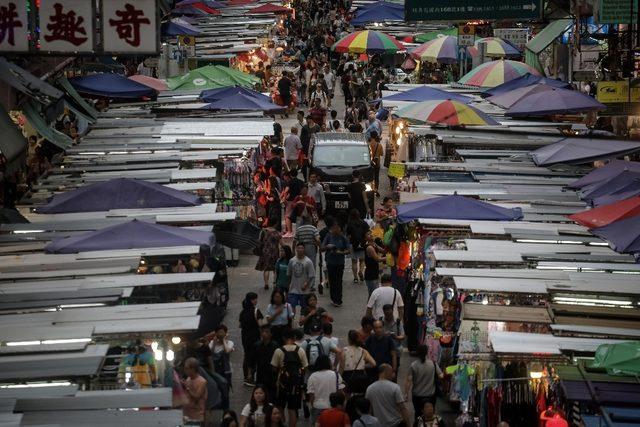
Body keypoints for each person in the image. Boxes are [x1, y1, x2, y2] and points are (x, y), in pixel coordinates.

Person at [271, 328, 309, 427]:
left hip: (281, 385)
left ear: (283, 338)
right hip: (295, 385)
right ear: (295, 338)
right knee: (292, 409)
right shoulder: (300, 350)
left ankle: (281, 424)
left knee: (280, 407)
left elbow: (274, 368)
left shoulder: (279, 351)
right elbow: (305, 367)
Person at [404, 345, 443, 422]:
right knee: (430, 415)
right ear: (426, 352)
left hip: (417, 395)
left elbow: (409, 380)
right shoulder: (433, 364)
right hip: (430, 395)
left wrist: (406, 393)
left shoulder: (413, 365)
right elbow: (441, 375)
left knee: (418, 415)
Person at [321, 222, 351, 307]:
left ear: (340, 229)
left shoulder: (343, 238)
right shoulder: (328, 236)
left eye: (337, 228)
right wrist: (328, 247)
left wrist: (341, 252)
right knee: (332, 280)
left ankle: (338, 299)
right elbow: (322, 248)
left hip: (339, 262)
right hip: (330, 262)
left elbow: (348, 250)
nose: (335, 230)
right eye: (333, 228)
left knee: (338, 281)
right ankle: (333, 298)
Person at [307, 356, 346, 421]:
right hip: (333, 407)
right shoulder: (336, 375)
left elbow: (311, 395)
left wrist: (313, 405)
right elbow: (340, 392)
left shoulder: (312, 376)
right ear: (329, 363)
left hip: (318, 407)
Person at [340, 330, 377, 395]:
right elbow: (373, 363)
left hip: (347, 376)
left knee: (347, 396)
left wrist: (339, 377)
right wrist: (363, 366)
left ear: (349, 340)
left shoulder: (344, 350)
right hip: (360, 376)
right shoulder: (363, 351)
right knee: (360, 395)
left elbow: (342, 366)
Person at [240, 292, 264, 387]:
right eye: (254, 299)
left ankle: (246, 377)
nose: (256, 301)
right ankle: (250, 378)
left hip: (245, 337)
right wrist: (270, 319)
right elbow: (262, 323)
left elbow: (240, 324)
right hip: (254, 337)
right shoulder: (256, 311)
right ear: (251, 300)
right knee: (253, 357)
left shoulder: (243, 312)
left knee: (247, 356)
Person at [287, 242, 316, 313]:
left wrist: (306, 284)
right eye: (298, 248)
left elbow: (312, 275)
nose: (300, 250)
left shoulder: (308, 261)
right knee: (291, 307)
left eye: (302, 248)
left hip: (304, 291)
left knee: (305, 308)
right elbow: (289, 274)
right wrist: (288, 286)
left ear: (304, 249)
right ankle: (292, 321)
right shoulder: (292, 261)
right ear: (296, 249)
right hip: (293, 289)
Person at [253, 325, 279, 399]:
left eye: (266, 332)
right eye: (262, 332)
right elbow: (253, 360)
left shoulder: (275, 346)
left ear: (271, 334)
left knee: (271, 396)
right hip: (260, 374)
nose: (264, 334)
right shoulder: (257, 345)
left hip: (272, 375)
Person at [345, 208, 369, 284]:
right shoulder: (363, 223)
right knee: (362, 260)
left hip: (353, 244)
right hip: (362, 243)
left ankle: (355, 278)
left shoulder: (349, 223)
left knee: (354, 261)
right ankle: (361, 271)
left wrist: (347, 245)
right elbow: (367, 234)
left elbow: (348, 236)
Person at [256, 221, 282, 290]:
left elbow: (259, 241)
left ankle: (266, 284)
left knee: (266, 269)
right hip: (275, 252)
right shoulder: (277, 233)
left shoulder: (264, 231)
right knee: (275, 269)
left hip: (265, 252)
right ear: (275, 224)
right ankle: (275, 282)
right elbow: (282, 243)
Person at [294, 215, 321, 283]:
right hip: (311, 247)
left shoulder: (299, 229)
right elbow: (317, 239)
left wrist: (293, 250)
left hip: (301, 248)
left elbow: (295, 241)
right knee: (311, 265)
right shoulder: (313, 228)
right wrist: (319, 246)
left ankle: (303, 281)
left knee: (302, 264)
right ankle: (311, 283)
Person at [182, 357, 208, 424]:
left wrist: (187, 387)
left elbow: (197, 397)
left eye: (187, 368)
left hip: (197, 417)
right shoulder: (188, 379)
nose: (185, 370)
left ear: (193, 369)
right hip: (187, 415)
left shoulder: (202, 382)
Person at [364, 231, 385, 296]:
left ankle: (371, 306)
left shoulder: (374, 244)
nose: (370, 235)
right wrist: (389, 258)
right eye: (368, 234)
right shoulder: (369, 247)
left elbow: (383, 251)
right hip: (370, 274)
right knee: (373, 295)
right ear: (365, 238)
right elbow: (377, 259)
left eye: (370, 233)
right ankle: (369, 306)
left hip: (375, 272)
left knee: (374, 294)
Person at [367, 132, 383, 196]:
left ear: (370, 136)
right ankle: (376, 189)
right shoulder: (379, 145)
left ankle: (370, 189)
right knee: (376, 177)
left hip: (369, 163)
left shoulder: (368, 144)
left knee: (370, 177)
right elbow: (382, 154)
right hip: (377, 163)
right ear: (376, 136)